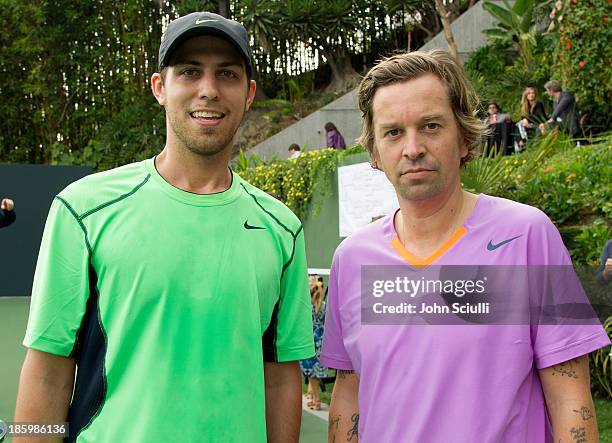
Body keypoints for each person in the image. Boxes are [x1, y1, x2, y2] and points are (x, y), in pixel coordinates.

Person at [15, 12, 314, 443]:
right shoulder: (83, 210)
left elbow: (280, 376)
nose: (208, 90)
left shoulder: (281, 228)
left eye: (226, 74)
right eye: (190, 71)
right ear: (160, 87)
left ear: (248, 94)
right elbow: (47, 372)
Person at [321, 50, 611, 442]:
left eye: (431, 126)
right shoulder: (352, 259)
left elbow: (570, 398)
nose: (412, 148)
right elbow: (349, 393)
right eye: (393, 132)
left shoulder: (527, 236)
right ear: (374, 151)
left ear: (463, 137)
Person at [299, 275, 328, 410]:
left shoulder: (307, 307)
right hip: (322, 345)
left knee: (311, 374)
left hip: (309, 344)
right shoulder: (323, 306)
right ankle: (313, 396)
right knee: (315, 375)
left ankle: (316, 400)